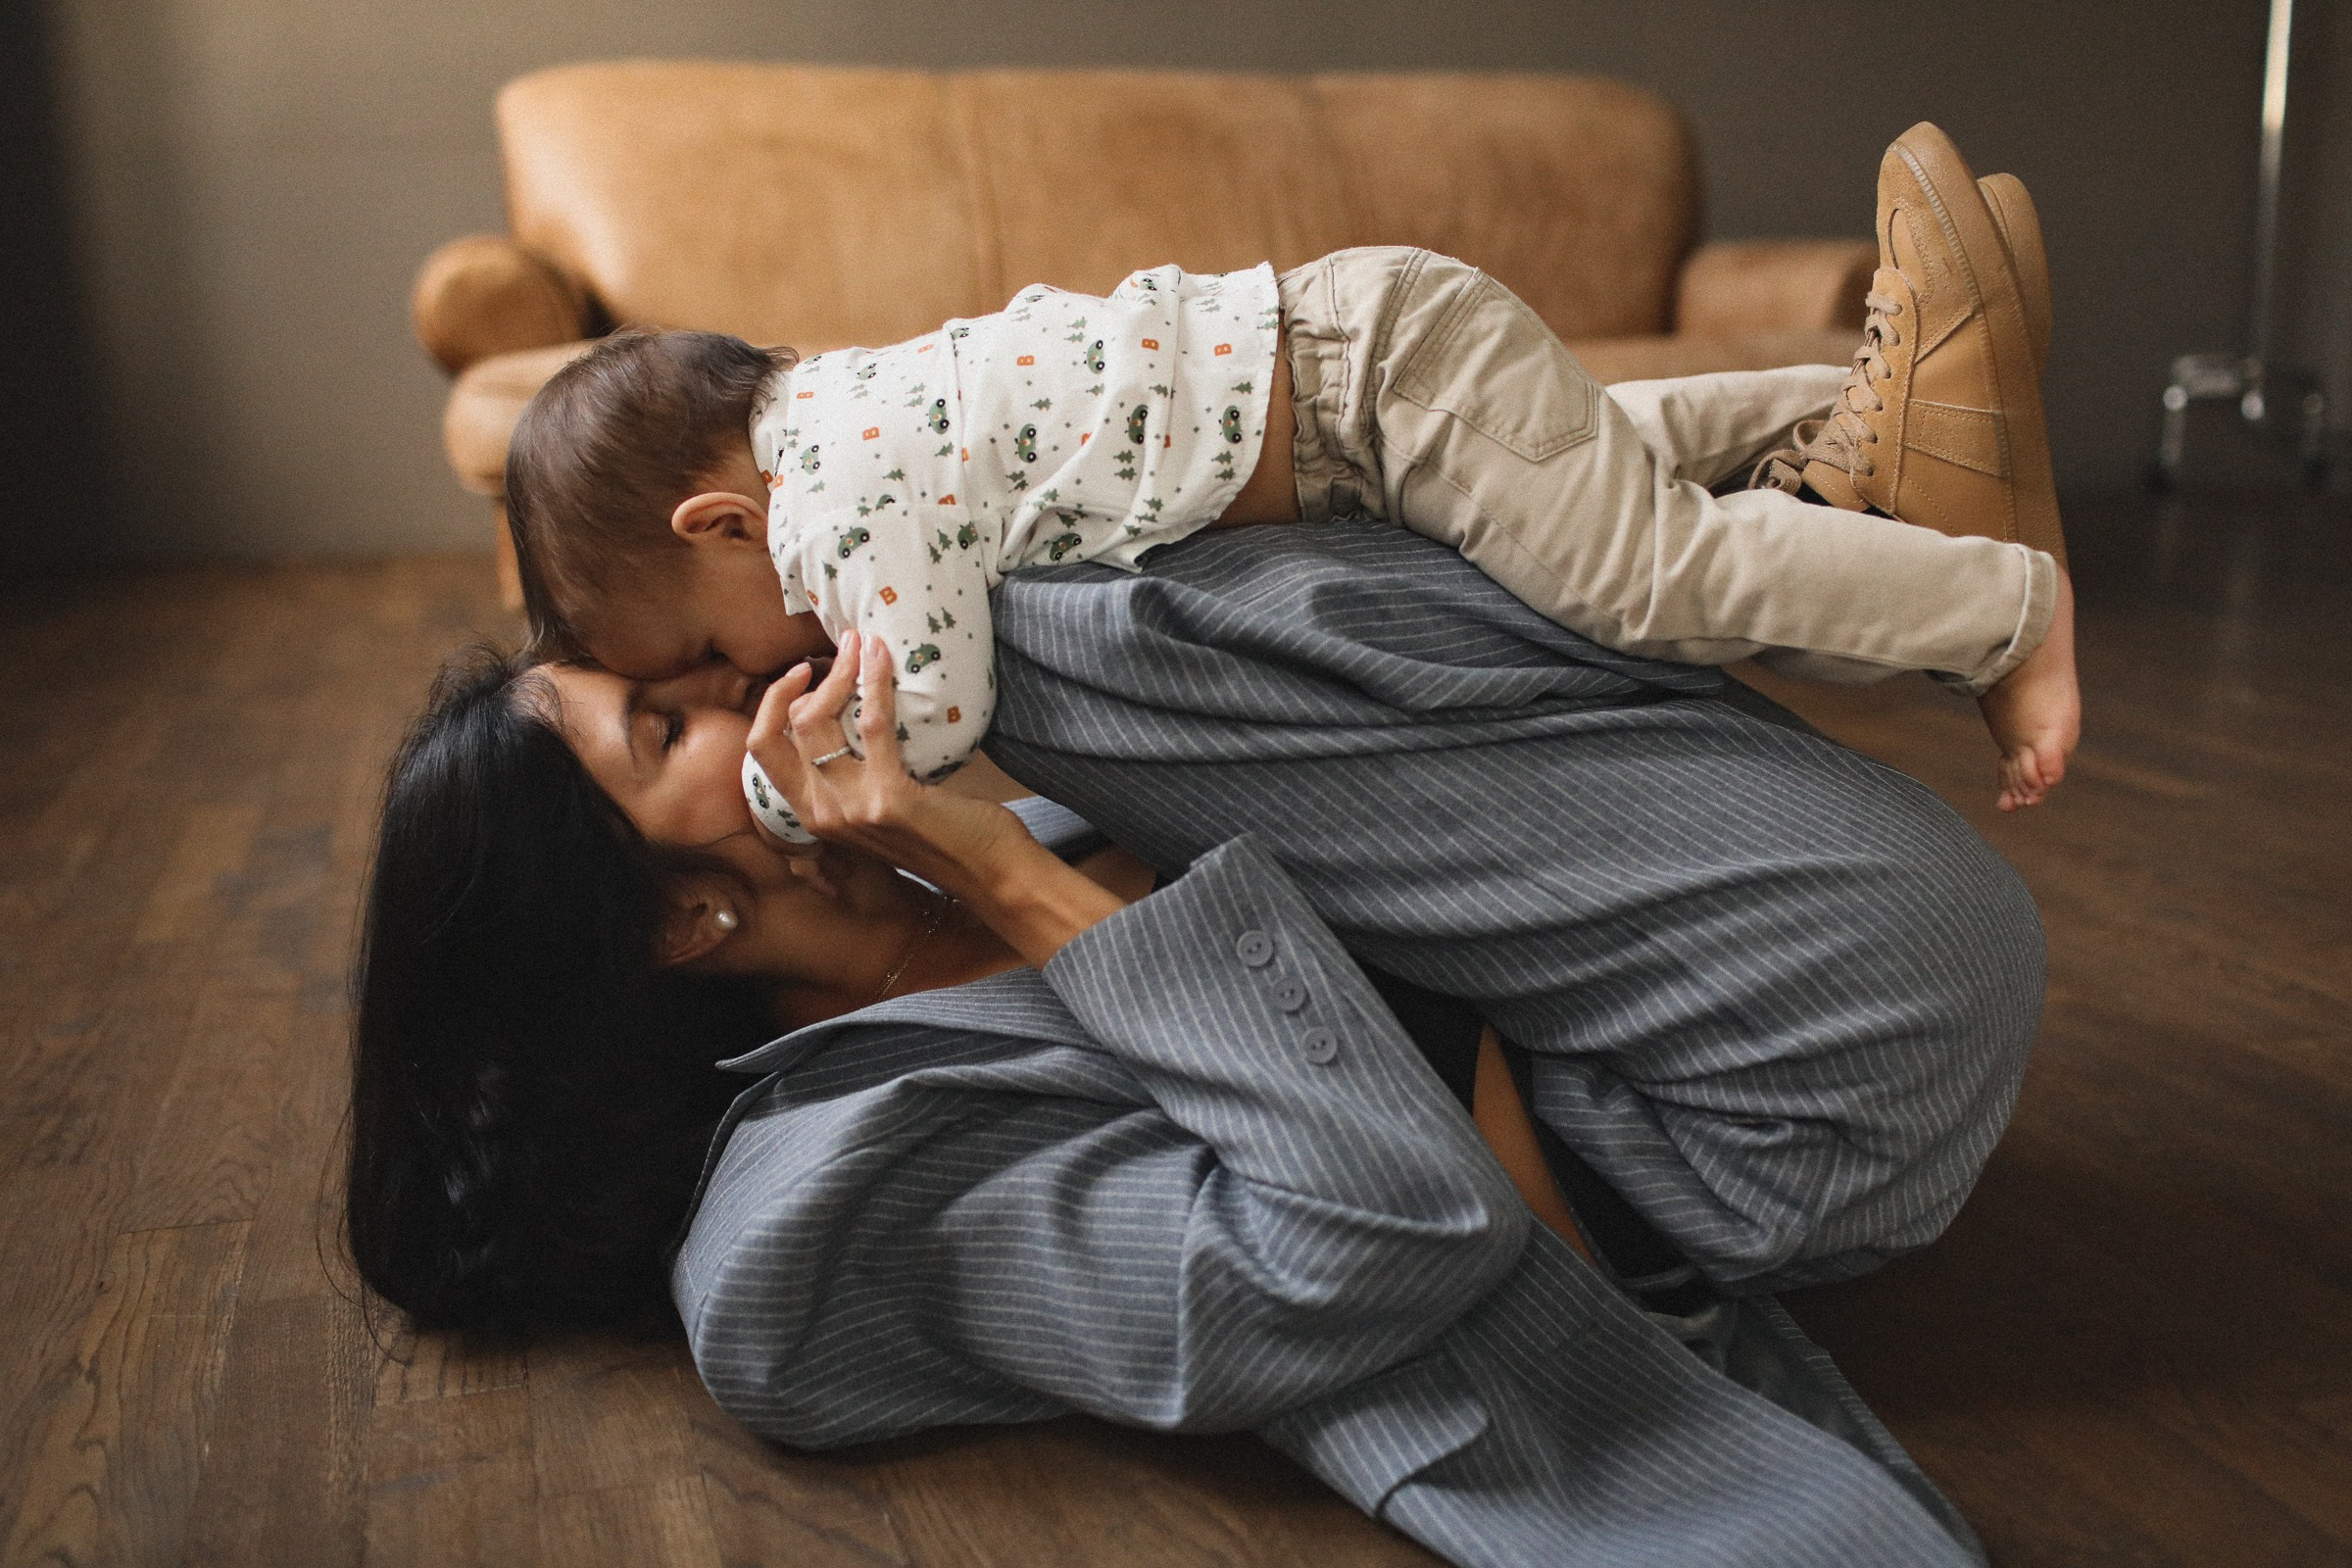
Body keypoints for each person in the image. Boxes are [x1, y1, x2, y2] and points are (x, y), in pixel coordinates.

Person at [348, 509, 2042, 1565]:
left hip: (1670, 1003)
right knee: (1056, 640)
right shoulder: (801, 1229)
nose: (731, 681)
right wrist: (1000, 868)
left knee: (1067, 567)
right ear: (669, 919)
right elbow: (1382, 1232)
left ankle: (1836, 500)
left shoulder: (1042, 834)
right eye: (665, 718)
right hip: (1726, 1150)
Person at [502, 122, 2079, 821]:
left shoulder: (830, 501)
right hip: (1361, 375)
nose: (738, 679)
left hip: (1367, 386)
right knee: (1609, 470)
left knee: (1637, 578)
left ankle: (2004, 608)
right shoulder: (835, 400)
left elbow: (941, 699)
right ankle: (1858, 406)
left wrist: (793, 793)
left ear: (720, 522)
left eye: (708, 651)